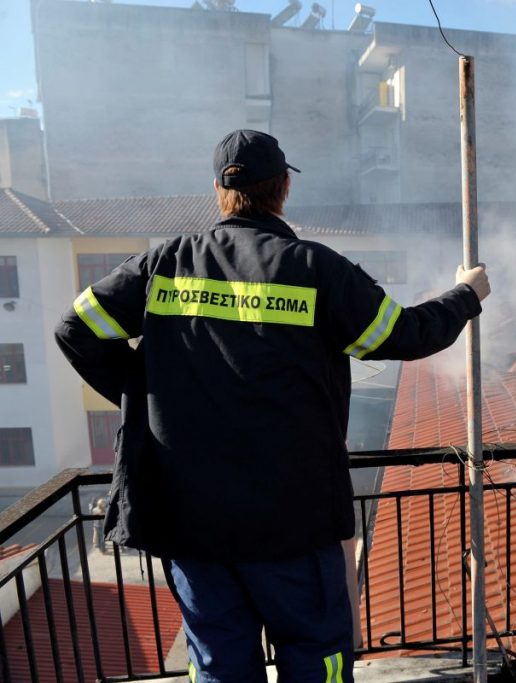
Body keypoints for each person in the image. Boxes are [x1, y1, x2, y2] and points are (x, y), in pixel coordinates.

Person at [55, 129, 490, 683]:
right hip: (294, 519)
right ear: (284, 187)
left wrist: (148, 392)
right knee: (314, 657)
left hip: (191, 520)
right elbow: (404, 334)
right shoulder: (316, 269)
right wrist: (466, 295)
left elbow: (74, 329)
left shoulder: (165, 263)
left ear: (218, 191)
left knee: (218, 664)